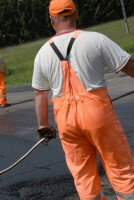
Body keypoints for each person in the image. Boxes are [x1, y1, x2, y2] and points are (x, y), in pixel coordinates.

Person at [32, 0, 134, 199]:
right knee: (120, 169)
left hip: (66, 122)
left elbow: (40, 94)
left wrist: (43, 125)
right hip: (97, 114)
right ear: (76, 14)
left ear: (52, 20)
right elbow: (129, 65)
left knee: (83, 176)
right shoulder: (95, 39)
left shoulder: (42, 53)